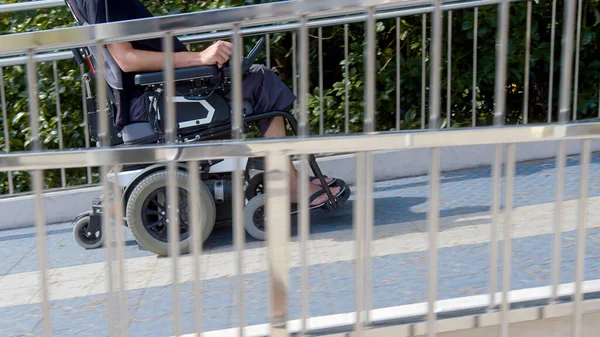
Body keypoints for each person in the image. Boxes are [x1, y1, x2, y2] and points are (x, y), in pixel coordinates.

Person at [96, 0, 344, 207]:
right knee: (260, 80)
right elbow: (126, 59)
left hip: (153, 94)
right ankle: (289, 184)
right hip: (151, 101)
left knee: (252, 75)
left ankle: (288, 177)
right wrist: (200, 58)